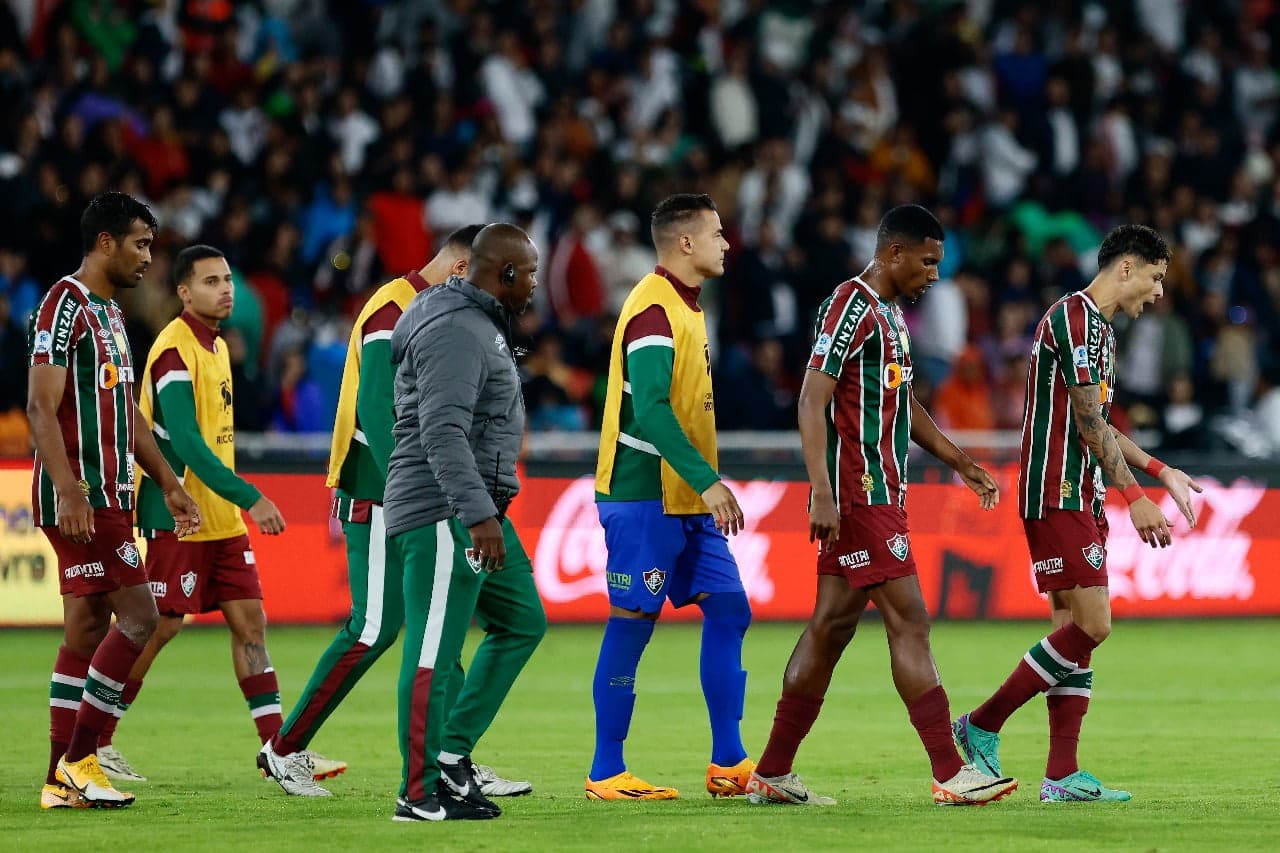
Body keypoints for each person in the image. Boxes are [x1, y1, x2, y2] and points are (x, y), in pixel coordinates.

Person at [743, 205, 1018, 808]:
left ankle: (773, 772)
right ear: (894, 253)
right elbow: (811, 398)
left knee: (831, 627)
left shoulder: (891, 315)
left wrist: (961, 461)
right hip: (859, 493)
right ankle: (951, 771)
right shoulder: (851, 305)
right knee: (909, 620)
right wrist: (822, 491)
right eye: (927, 261)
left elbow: (905, 404)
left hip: (880, 491)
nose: (935, 274)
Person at [260, 225, 533, 799]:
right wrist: (425, 497)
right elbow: (381, 415)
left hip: (444, 495)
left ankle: (450, 757)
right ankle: (284, 749)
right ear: (463, 268)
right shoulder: (395, 310)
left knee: (470, 622)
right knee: (374, 627)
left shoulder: (439, 312)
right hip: (386, 492)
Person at [953, 224, 1202, 803]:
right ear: (1126, 267)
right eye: (1156, 278)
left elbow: (1102, 423)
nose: (1159, 292)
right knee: (1094, 624)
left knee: (1073, 633)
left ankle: (1061, 774)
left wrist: (1160, 470)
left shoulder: (1099, 332)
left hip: (1078, 492)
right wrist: (1136, 497)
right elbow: (1089, 424)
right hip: (1058, 489)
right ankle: (982, 723)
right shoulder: (1075, 318)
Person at [90, 245, 343, 785]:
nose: (225, 289)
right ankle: (98, 739)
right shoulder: (174, 351)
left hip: (220, 516)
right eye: (210, 282)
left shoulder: (219, 346)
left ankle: (278, 750)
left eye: (227, 279)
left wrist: (233, 501)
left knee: (251, 624)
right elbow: (188, 444)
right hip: (176, 512)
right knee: (158, 626)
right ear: (184, 292)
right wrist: (252, 496)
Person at [29, 192, 201, 809]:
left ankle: (59, 780)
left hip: (110, 494)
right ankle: (81, 760)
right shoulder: (64, 304)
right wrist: (70, 491)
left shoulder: (111, 316)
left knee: (85, 630)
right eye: (140, 244)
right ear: (105, 242)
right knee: (141, 617)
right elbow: (39, 407)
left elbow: (127, 413)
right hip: (83, 497)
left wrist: (169, 483)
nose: (149, 258)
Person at [587, 193, 753, 802]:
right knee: (633, 620)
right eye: (716, 233)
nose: (726, 243)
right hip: (642, 494)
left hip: (685, 495)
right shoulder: (653, 309)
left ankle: (728, 762)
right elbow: (652, 410)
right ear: (685, 243)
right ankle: (606, 770)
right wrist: (709, 481)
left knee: (730, 609)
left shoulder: (687, 305)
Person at [385, 223, 547, 822]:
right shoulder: (458, 329)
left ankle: (451, 755)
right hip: (444, 508)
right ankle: (417, 793)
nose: (535, 284)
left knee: (521, 620)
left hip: (476, 506)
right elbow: (442, 430)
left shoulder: (473, 322)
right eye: (529, 273)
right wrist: (477, 514)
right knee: (433, 649)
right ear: (504, 273)